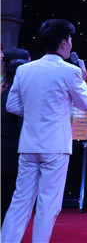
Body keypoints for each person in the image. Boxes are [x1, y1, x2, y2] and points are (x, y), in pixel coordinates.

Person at [2, 19, 87, 243]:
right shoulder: (71, 71)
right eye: (70, 40)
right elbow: (85, 104)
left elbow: (11, 105)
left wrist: (35, 112)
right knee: (48, 204)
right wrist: (82, 79)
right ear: (63, 43)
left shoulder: (24, 70)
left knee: (20, 201)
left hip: (28, 145)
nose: (71, 44)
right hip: (56, 147)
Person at [2, 55, 30, 222]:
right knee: (10, 200)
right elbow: (21, 129)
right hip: (12, 155)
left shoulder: (4, 95)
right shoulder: (19, 100)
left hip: (6, 153)